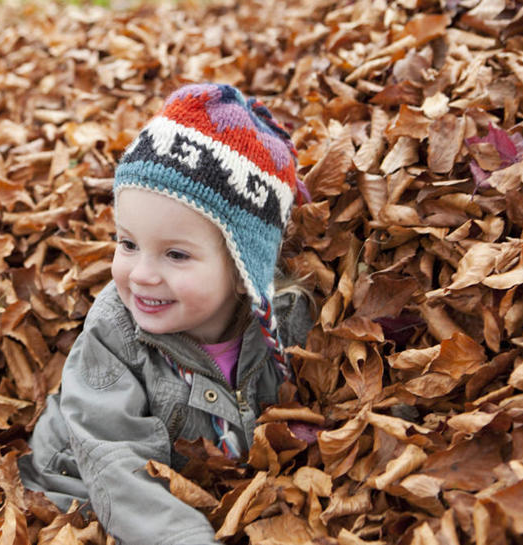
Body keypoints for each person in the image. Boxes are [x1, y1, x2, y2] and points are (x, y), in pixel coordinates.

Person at [19, 83, 314, 544]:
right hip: (83, 491)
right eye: (128, 244)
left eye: (175, 255)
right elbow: (115, 460)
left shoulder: (284, 322)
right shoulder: (112, 335)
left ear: (244, 269)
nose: (141, 274)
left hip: (205, 492)